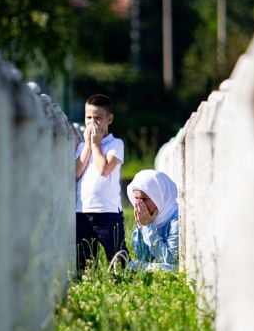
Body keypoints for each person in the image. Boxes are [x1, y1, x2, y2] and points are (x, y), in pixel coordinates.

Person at [75, 94, 125, 272]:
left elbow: (104, 169)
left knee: (117, 256)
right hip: (82, 211)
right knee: (84, 260)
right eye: (89, 118)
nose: (92, 123)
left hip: (107, 211)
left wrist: (96, 145)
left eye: (98, 118)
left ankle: (121, 282)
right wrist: (88, 145)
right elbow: (76, 172)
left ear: (109, 119)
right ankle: (87, 283)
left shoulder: (115, 144)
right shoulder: (82, 148)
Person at [126, 169, 179, 272]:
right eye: (136, 198)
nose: (138, 204)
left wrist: (148, 227)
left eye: (144, 199)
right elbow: (143, 257)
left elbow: (169, 260)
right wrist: (142, 227)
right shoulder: (147, 217)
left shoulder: (176, 219)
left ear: (159, 197)